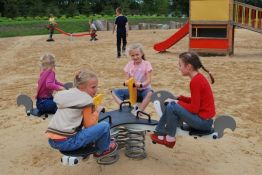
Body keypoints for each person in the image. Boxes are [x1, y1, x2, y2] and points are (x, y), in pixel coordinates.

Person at [150, 52, 216, 149]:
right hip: (206, 120)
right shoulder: (199, 78)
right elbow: (196, 101)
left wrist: (177, 102)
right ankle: (160, 133)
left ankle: (169, 139)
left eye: (180, 65)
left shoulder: (195, 82)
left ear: (188, 67)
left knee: (172, 106)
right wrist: (180, 98)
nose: (179, 68)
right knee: (173, 104)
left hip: (203, 123)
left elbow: (194, 109)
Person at [46, 70, 118, 158]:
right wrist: (96, 112)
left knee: (79, 123)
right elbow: (89, 125)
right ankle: (103, 149)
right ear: (81, 86)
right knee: (104, 126)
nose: (96, 90)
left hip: (52, 141)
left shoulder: (67, 95)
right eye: (93, 87)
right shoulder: (85, 100)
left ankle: (87, 144)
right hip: (68, 142)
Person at [111, 43, 153, 115]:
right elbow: (127, 79)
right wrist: (126, 82)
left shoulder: (146, 64)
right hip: (133, 90)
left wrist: (141, 85)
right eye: (132, 55)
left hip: (144, 90)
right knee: (114, 92)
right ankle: (124, 107)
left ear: (142, 54)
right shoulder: (129, 65)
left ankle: (140, 111)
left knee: (150, 93)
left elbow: (149, 80)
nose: (135, 57)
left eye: (137, 54)